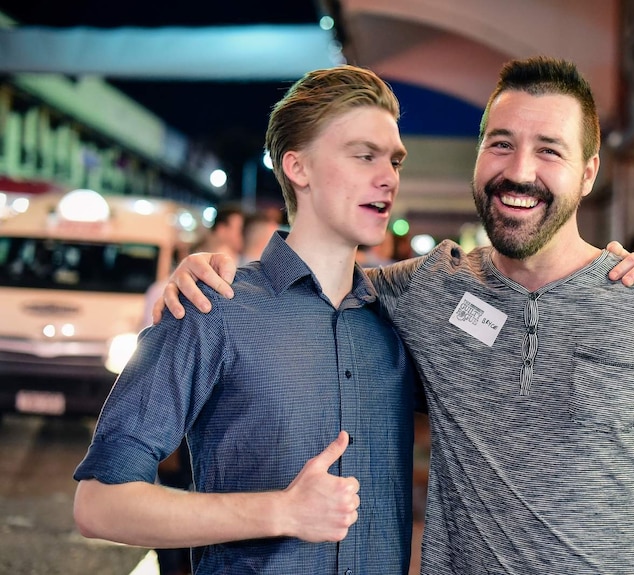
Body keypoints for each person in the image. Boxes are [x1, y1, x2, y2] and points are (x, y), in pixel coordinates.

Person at [158, 57, 634, 573]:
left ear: (589, 172)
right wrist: (222, 274)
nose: (519, 171)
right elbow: (309, 285)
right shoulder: (422, 292)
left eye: (550, 151)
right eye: (501, 144)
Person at [73, 65, 420, 574]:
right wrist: (280, 510)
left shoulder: (401, 318)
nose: (387, 176)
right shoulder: (213, 306)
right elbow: (99, 503)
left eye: (393, 160)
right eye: (364, 155)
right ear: (297, 168)